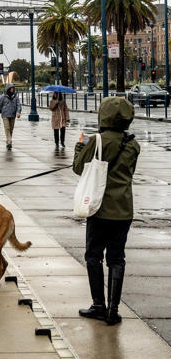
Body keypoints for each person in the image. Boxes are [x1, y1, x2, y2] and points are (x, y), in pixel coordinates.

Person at [74, 97, 140, 326]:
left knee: (93, 256)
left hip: (99, 209)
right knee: (117, 258)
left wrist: (80, 146)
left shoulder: (98, 140)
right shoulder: (133, 144)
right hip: (124, 210)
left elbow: (78, 167)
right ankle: (114, 309)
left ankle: (98, 305)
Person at [0, 83, 21, 150]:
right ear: (8, 89)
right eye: (11, 88)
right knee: (7, 128)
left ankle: (8, 141)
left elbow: (19, 105)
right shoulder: (3, 97)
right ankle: (9, 141)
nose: (12, 89)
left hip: (12, 115)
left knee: (11, 129)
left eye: (13, 88)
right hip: (5, 115)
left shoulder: (15, 97)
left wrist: (18, 112)